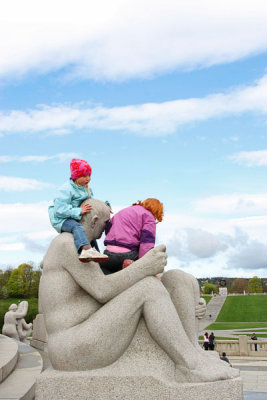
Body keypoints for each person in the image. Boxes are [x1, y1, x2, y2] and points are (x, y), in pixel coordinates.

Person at [40, 198, 239, 382]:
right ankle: (190, 366)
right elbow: (102, 290)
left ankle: (193, 352)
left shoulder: (89, 247)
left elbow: (111, 286)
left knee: (178, 279)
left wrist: (189, 305)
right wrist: (144, 266)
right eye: (105, 223)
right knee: (148, 288)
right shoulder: (66, 244)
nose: (106, 230)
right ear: (93, 220)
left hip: (94, 328)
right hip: (72, 346)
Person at [48, 158, 109, 263]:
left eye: (89, 175)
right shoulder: (66, 189)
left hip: (74, 215)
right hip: (61, 219)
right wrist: (79, 211)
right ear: (76, 176)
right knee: (77, 227)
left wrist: (104, 205)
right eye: (84, 176)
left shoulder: (86, 187)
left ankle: (97, 255)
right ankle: (85, 250)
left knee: (89, 234)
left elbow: (91, 200)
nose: (88, 178)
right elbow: (59, 210)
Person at [101, 198, 163, 275]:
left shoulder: (123, 211)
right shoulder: (148, 216)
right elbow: (147, 243)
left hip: (108, 254)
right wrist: (146, 263)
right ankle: (131, 265)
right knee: (153, 259)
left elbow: (108, 229)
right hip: (128, 255)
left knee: (109, 270)